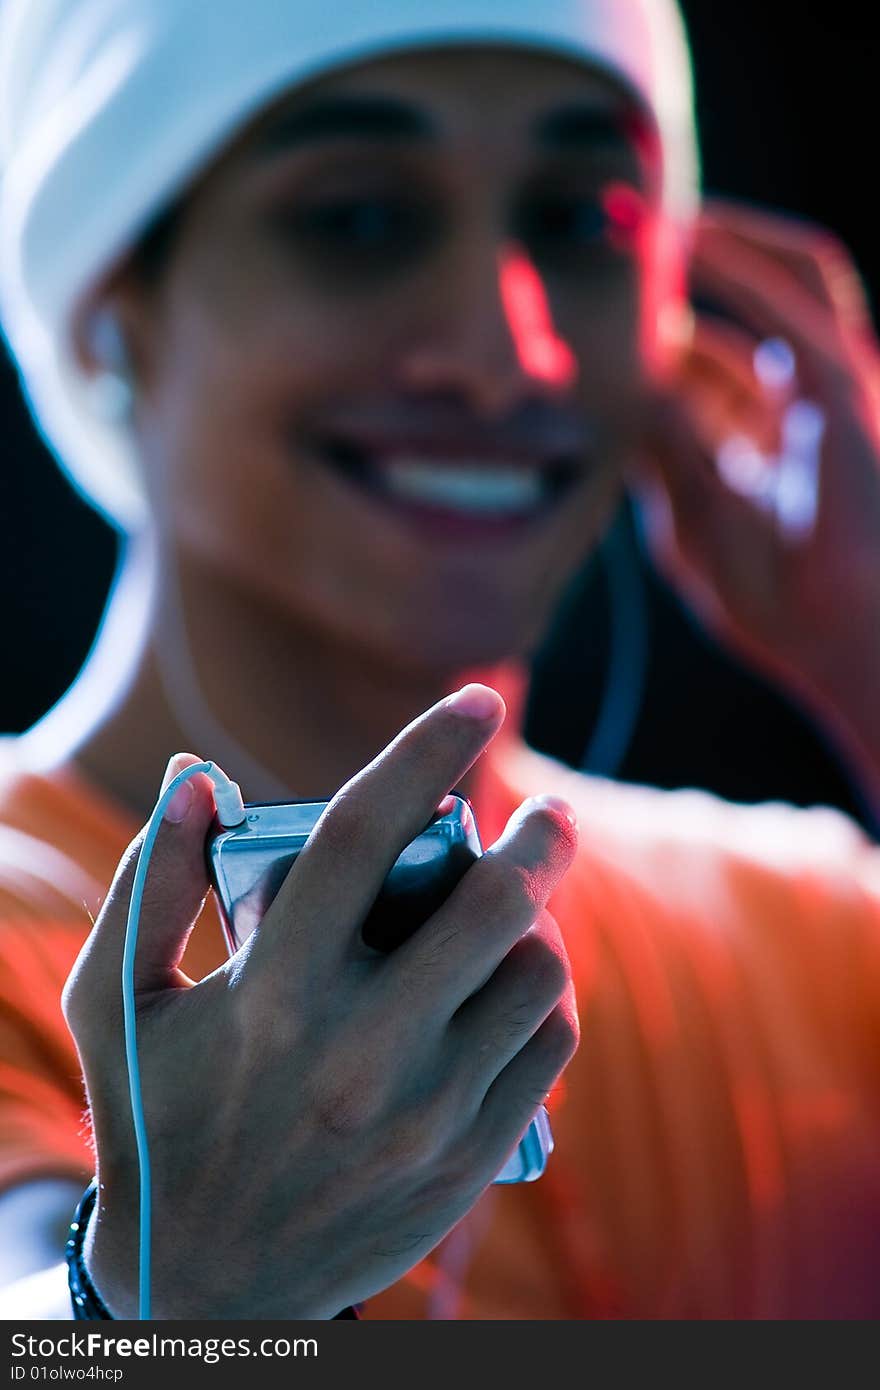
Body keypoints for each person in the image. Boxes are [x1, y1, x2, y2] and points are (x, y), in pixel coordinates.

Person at [1, 0, 879, 1320]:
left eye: (586, 219)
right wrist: (153, 1298)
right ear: (109, 299)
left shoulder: (812, 930)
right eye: (358, 218)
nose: (504, 354)